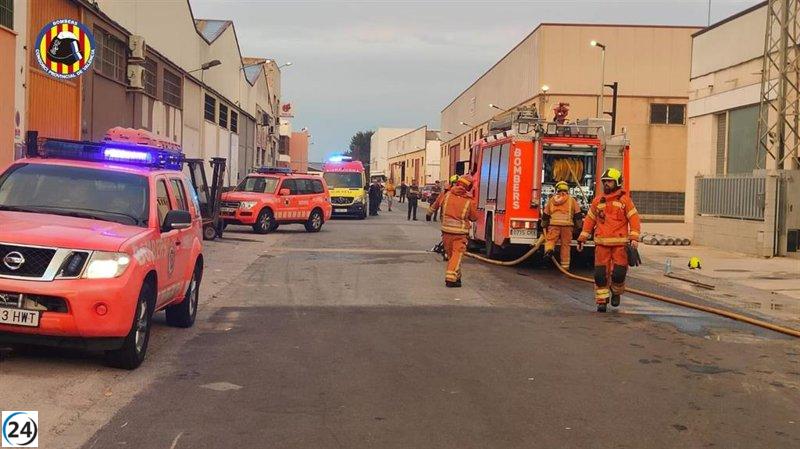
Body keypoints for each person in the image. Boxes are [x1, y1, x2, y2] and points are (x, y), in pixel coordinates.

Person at [577, 168, 641, 313]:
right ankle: (601, 301)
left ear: (617, 183)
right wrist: (583, 237)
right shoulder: (598, 201)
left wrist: (634, 238)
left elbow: (634, 219)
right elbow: (589, 220)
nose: (606, 184)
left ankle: (616, 293)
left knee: (619, 273)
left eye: (610, 182)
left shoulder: (625, 201)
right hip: (602, 245)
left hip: (620, 245)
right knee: (600, 275)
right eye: (605, 182)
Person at [426, 175, 478, 287]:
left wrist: (429, 213)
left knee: (452, 257)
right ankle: (450, 279)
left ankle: (457, 278)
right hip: (460, 234)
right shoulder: (469, 201)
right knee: (457, 256)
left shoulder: (447, 195)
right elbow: (474, 217)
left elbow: (436, 204)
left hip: (446, 232)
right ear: (469, 187)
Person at [543, 181, 581, 269]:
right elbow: (578, 214)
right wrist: (579, 227)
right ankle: (565, 266)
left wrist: (543, 225)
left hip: (554, 225)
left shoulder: (552, 200)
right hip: (567, 226)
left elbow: (546, 214)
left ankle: (549, 250)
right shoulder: (572, 200)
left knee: (550, 240)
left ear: (557, 189)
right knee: (565, 245)